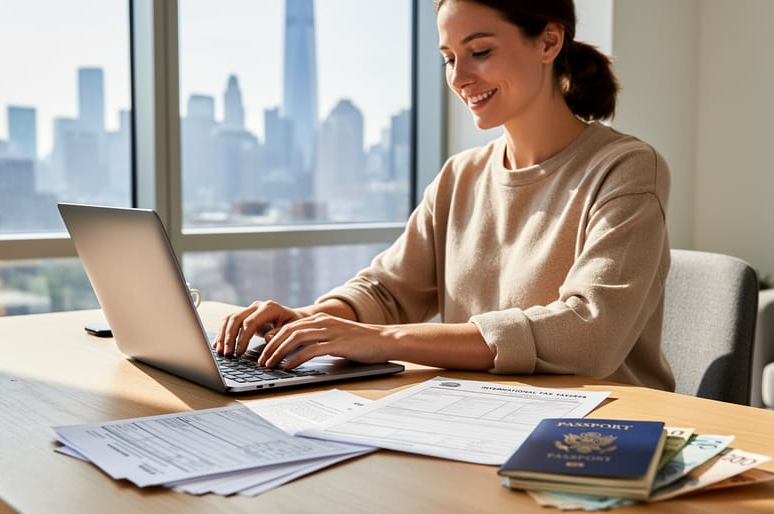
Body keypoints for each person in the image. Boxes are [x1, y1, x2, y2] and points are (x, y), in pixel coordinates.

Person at [213, 0, 675, 391]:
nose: (458, 77)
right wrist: (311, 321)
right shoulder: (462, 175)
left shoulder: (626, 169)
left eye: (480, 51)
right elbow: (388, 290)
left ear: (549, 43)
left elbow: (588, 334)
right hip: (475, 417)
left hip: (599, 436)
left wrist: (383, 340)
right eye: (450, 58)